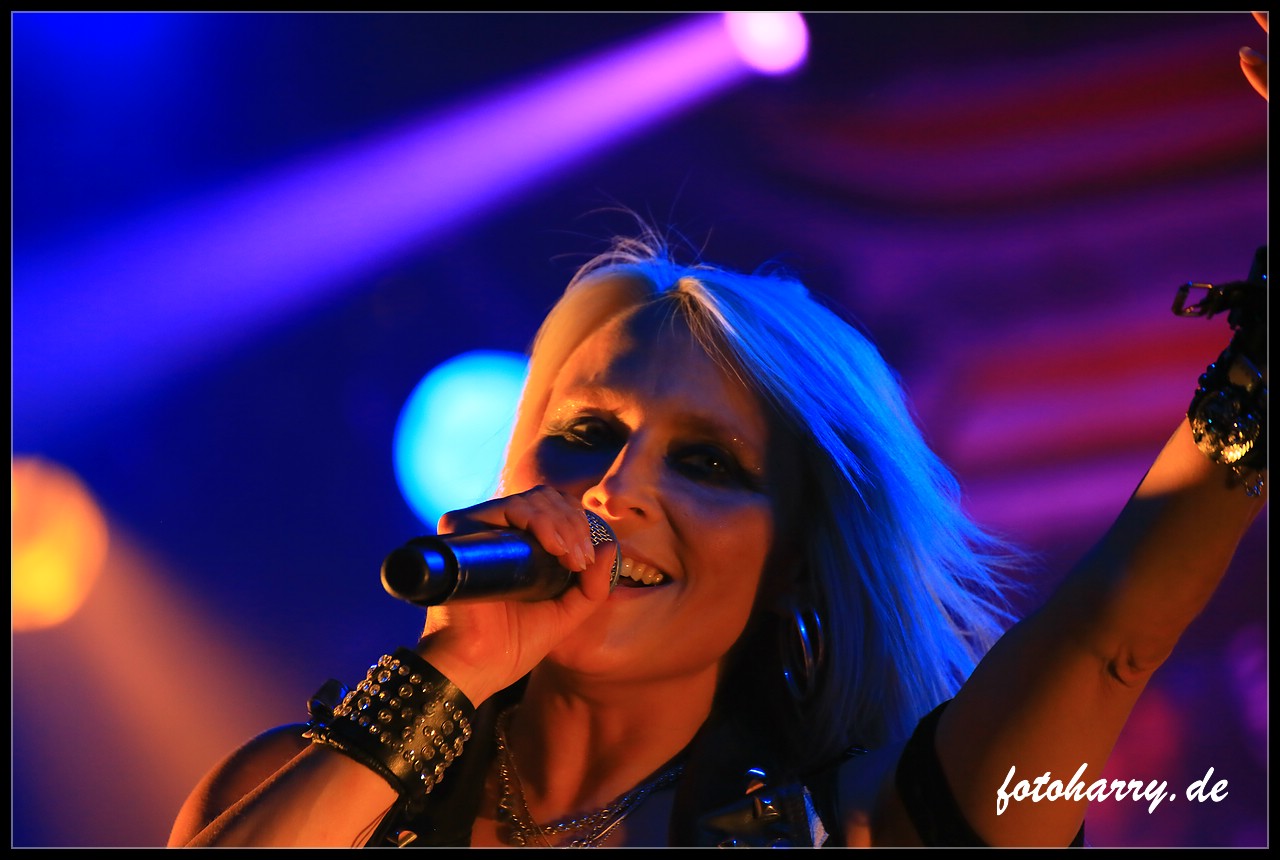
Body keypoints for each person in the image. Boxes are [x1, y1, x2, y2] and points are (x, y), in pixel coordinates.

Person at [169, 15, 1267, 848]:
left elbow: (1109, 631)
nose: (615, 489)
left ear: (795, 561)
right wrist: (444, 674)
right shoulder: (306, 790)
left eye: (706, 461)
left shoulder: (860, 825)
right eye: (585, 431)